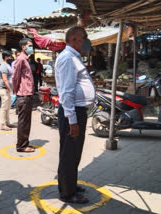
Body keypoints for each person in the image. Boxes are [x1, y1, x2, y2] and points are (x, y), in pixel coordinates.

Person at [55, 26, 95, 203]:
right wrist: (72, 121)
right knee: (69, 153)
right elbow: (66, 92)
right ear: (73, 39)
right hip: (72, 113)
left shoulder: (73, 57)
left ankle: (69, 184)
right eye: (83, 38)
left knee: (73, 152)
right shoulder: (67, 58)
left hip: (78, 111)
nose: (86, 41)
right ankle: (67, 193)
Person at [12, 38, 36, 153]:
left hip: (27, 94)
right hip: (24, 94)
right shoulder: (21, 59)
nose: (32, 47)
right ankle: (21, 146)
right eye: (29, 45)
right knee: (23, 122)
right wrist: (17, 91)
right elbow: (15, 77)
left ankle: (24, 143)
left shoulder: (26, 59)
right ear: (23, 47)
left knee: (26, 121)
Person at [0, 50, 14, 131]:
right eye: (10, 57)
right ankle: (2, 124)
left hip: (7, 89)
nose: (11, 58)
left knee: (8, 107)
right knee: (4, 108)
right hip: (4, 89)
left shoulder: (8, 65)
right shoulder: (4, 66)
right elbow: (5, 80)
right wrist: (10, 90)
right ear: (5, 57)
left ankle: (7, 122)